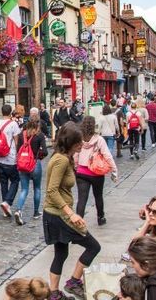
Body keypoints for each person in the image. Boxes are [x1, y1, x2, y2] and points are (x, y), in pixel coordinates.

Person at [43, 122, 101, 300]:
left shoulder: (63, 157)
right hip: (59, 215)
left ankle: (54, 293)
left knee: (61, 253)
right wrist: (71, 213)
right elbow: (52, 190)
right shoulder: (61, 160)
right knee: (93, 247)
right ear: (71, 143)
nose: (82, 144)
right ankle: (73, 282)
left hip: (54, 213)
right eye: (79, 142)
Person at [74, 116, 118, 226]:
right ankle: (100, 217)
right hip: (96, 172)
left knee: (82, 199)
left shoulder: (79, 139)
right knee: (98, 195)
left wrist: (75, 166)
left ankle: (78, 222)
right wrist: (114, 169)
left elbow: (75, 155)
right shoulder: (99, 140)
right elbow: (107, 156)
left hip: (81, 172)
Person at [13, 120, 48, 225]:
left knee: (24, 189)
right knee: (37, 188)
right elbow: (45, 151)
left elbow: (18, 149)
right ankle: (36, 212)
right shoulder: (39, 135)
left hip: (23, 164)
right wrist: (38, 157)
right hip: (35, 164)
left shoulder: (21, 135)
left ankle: (18, 210)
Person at [0, 104, 22, 218]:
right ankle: (7, 202)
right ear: (10, 113)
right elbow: (16, 140)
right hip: (10, 157)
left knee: (3, 181)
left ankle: (5, 208)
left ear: (1, 112)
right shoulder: (13, 124)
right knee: (15, 180)